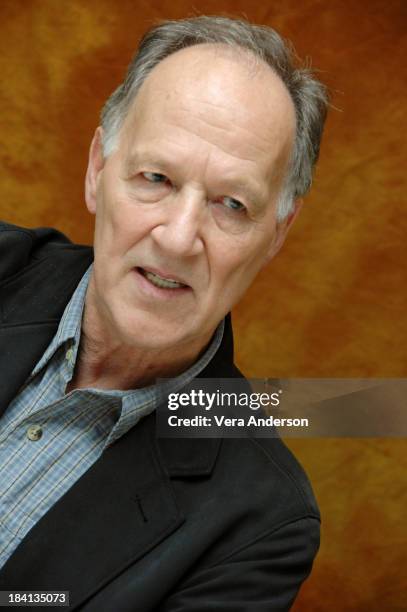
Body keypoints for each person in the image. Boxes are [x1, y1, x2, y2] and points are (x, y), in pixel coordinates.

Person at [0, 15, 328, 611]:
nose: (179, 239)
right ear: (99, 169)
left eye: (232, 204)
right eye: (156, 178)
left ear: (277, 234)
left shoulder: (260, 526)